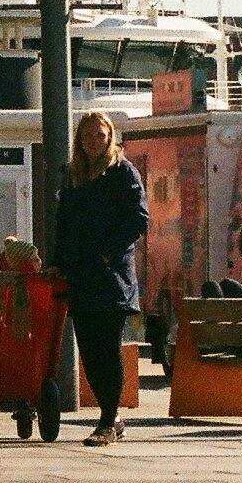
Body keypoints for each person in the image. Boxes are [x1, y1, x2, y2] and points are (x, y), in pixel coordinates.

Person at [51, 109, 149, 447]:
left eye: (101, 135)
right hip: (80, 274)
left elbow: (139, 220)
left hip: (111, 278)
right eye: (89, 136)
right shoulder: (73, 174)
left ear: (111, 138)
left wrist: (109, 252)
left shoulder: (123, 172)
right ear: (80, 139)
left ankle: (108, 419)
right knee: (89, 351)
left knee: (108, 348)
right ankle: (112, 416)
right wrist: (58, 262)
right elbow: (62, 223)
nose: (95, 141)